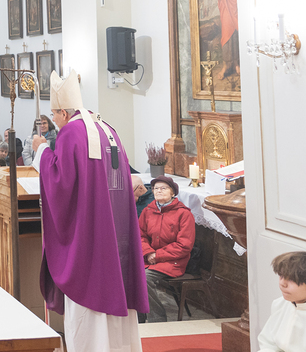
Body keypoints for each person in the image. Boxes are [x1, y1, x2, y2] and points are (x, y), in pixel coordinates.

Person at [31, 70, 147, 351]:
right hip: (115, 229)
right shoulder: (106, 127)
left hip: (91, 238)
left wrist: (42, 151)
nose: (54, 121)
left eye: (54, 115)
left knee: (90, 296)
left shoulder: (71, 132)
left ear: (62, 112)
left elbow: (61, 183)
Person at [139, 176, 196, 323]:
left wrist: (157, 255)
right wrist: (149, 252)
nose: (159, 191)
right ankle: (138, 318)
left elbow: (184, 245)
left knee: (144, 278)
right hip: (149, 258)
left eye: (163, 188)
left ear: (173, 192)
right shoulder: (148, 211)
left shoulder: (183, 214)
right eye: (156, 188)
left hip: (172, 261)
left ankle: (157, 319)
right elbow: (140, 236)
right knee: (128, 273)